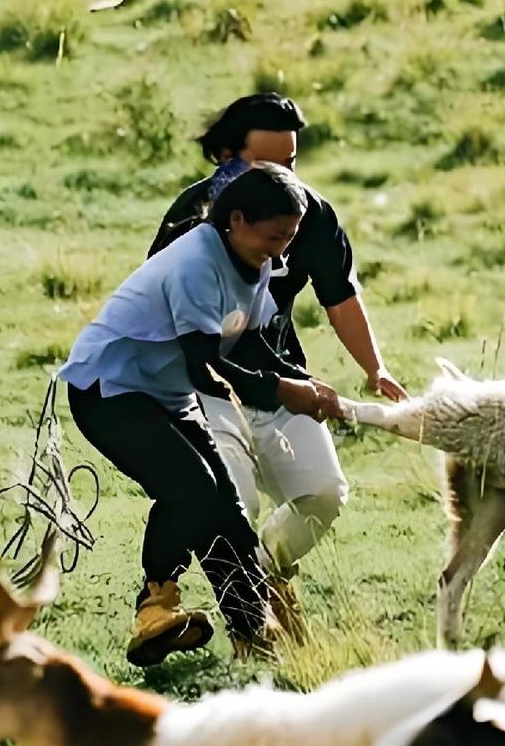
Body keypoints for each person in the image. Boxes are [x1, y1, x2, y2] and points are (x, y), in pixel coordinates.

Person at [59, 163, 345, 666]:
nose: (281, 251)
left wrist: (299, 382)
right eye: (274, 236)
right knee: (191, 488)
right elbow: (205, 365)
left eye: (290, 239)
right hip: (109, 390)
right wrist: (282, 392)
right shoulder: (197, 262)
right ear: (236, 220)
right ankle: (155, 609)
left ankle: (254, 638)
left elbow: (249, 341)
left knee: (229, 511)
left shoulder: (255, 264)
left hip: (163, 395)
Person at [147, 93, 408, 620]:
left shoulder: (310, 213)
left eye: (288, 163)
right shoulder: (191, 219)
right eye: (262, 163)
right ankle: (248, 621)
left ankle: (263, 574)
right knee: (234, 500)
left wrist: (373, 368)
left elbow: (340, 295)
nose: (280, 175)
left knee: (325, 494)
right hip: (206, 386)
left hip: (280, 377)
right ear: (226, 157)